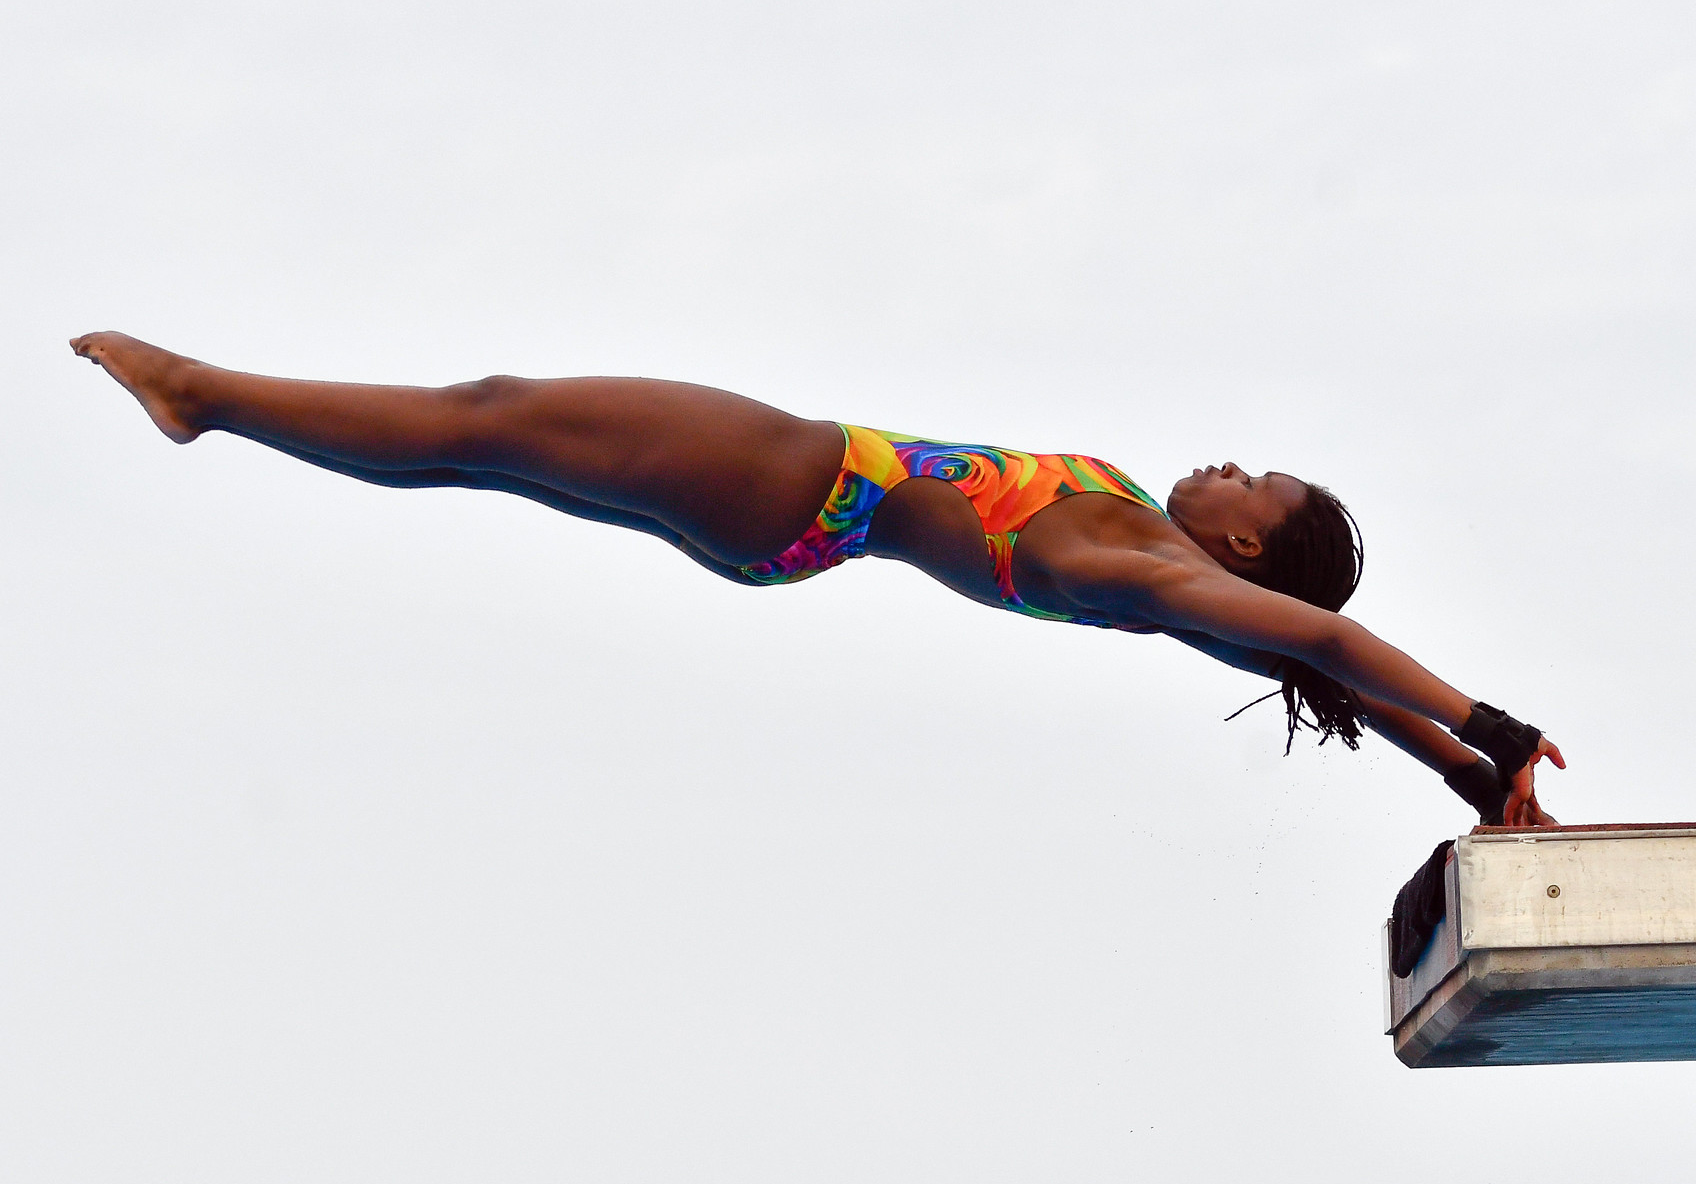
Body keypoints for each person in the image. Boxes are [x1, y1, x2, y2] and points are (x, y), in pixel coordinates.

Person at [70, 331, 1564, 824]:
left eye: (1256, 483)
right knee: (489, 447)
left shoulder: (1149, 570)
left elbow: (1322, 640)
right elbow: (1317, 662)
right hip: (790, 518)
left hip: (799, 483)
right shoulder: (1165, 562)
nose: (1232, 465)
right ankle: (214, 403)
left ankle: (203, 394)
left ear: (1243, 542)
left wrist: (1489, 726)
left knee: (494, 416)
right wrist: (1463, 772)